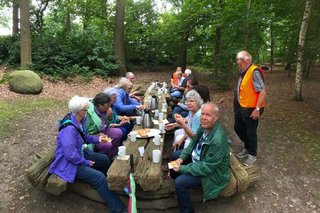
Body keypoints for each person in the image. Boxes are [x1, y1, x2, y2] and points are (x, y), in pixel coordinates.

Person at [49, 96, 126, 213]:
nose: (87, 111)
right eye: (86, 109)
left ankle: (108, 186)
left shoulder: (78, 121)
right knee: (99, 178)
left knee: (104, 159)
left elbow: (85, 137)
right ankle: (118, 208)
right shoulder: (69, 129)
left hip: (79, 154)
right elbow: (70, 155)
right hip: (69, 163)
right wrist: (86, 162)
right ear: (80, 112)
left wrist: (99, 139)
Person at [170, 102, 230, 213]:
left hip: (213, 173)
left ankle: (187, 210)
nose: (203, 118)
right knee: (175, 156)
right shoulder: (204, 127)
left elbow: (206, 168)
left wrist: (183, 168)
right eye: (202, 114)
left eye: (208, 115)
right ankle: (178, 189)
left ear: (216, 117)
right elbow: (193, 142)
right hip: (200, 158)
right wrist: (181, 159)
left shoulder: (217, 139)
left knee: (180, 182)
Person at [234, 50, 267, 166]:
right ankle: (247, 147)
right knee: (238, 127)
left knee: (251, 131)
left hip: (252, 108)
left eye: (240, 60)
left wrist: (257, 109)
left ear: (247, 60)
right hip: (241, 106)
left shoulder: (254, 71)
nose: (238, 62)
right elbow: (242, 89)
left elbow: (262, 91)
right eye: (237, 60)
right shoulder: (242, 72)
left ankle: (252, 154)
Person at [166, 90, 203, 160]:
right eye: (187, 101)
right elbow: (187, 120)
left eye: (192, 101)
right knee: (177, 132)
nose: (188, 103)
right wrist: (174, 125)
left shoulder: (199, 115)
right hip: (190, 133)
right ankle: (174, 151)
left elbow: (194, 137)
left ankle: (179, 158)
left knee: (178, 138)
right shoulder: (192, 111)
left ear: (198, 102)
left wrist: (182, 138)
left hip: (197, 142)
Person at [85, 92, 123, 158]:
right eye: (107, 105)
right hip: (93, 136)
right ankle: (104, 158)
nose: (109, 107)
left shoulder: (104, 110)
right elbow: (85, 132)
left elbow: (106, 125)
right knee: (107, 144)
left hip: (102, 131)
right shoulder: (88, 114)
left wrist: (109, 117)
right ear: (100, 105)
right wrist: (96, 135)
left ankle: (111, 155)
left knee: (118, 132)